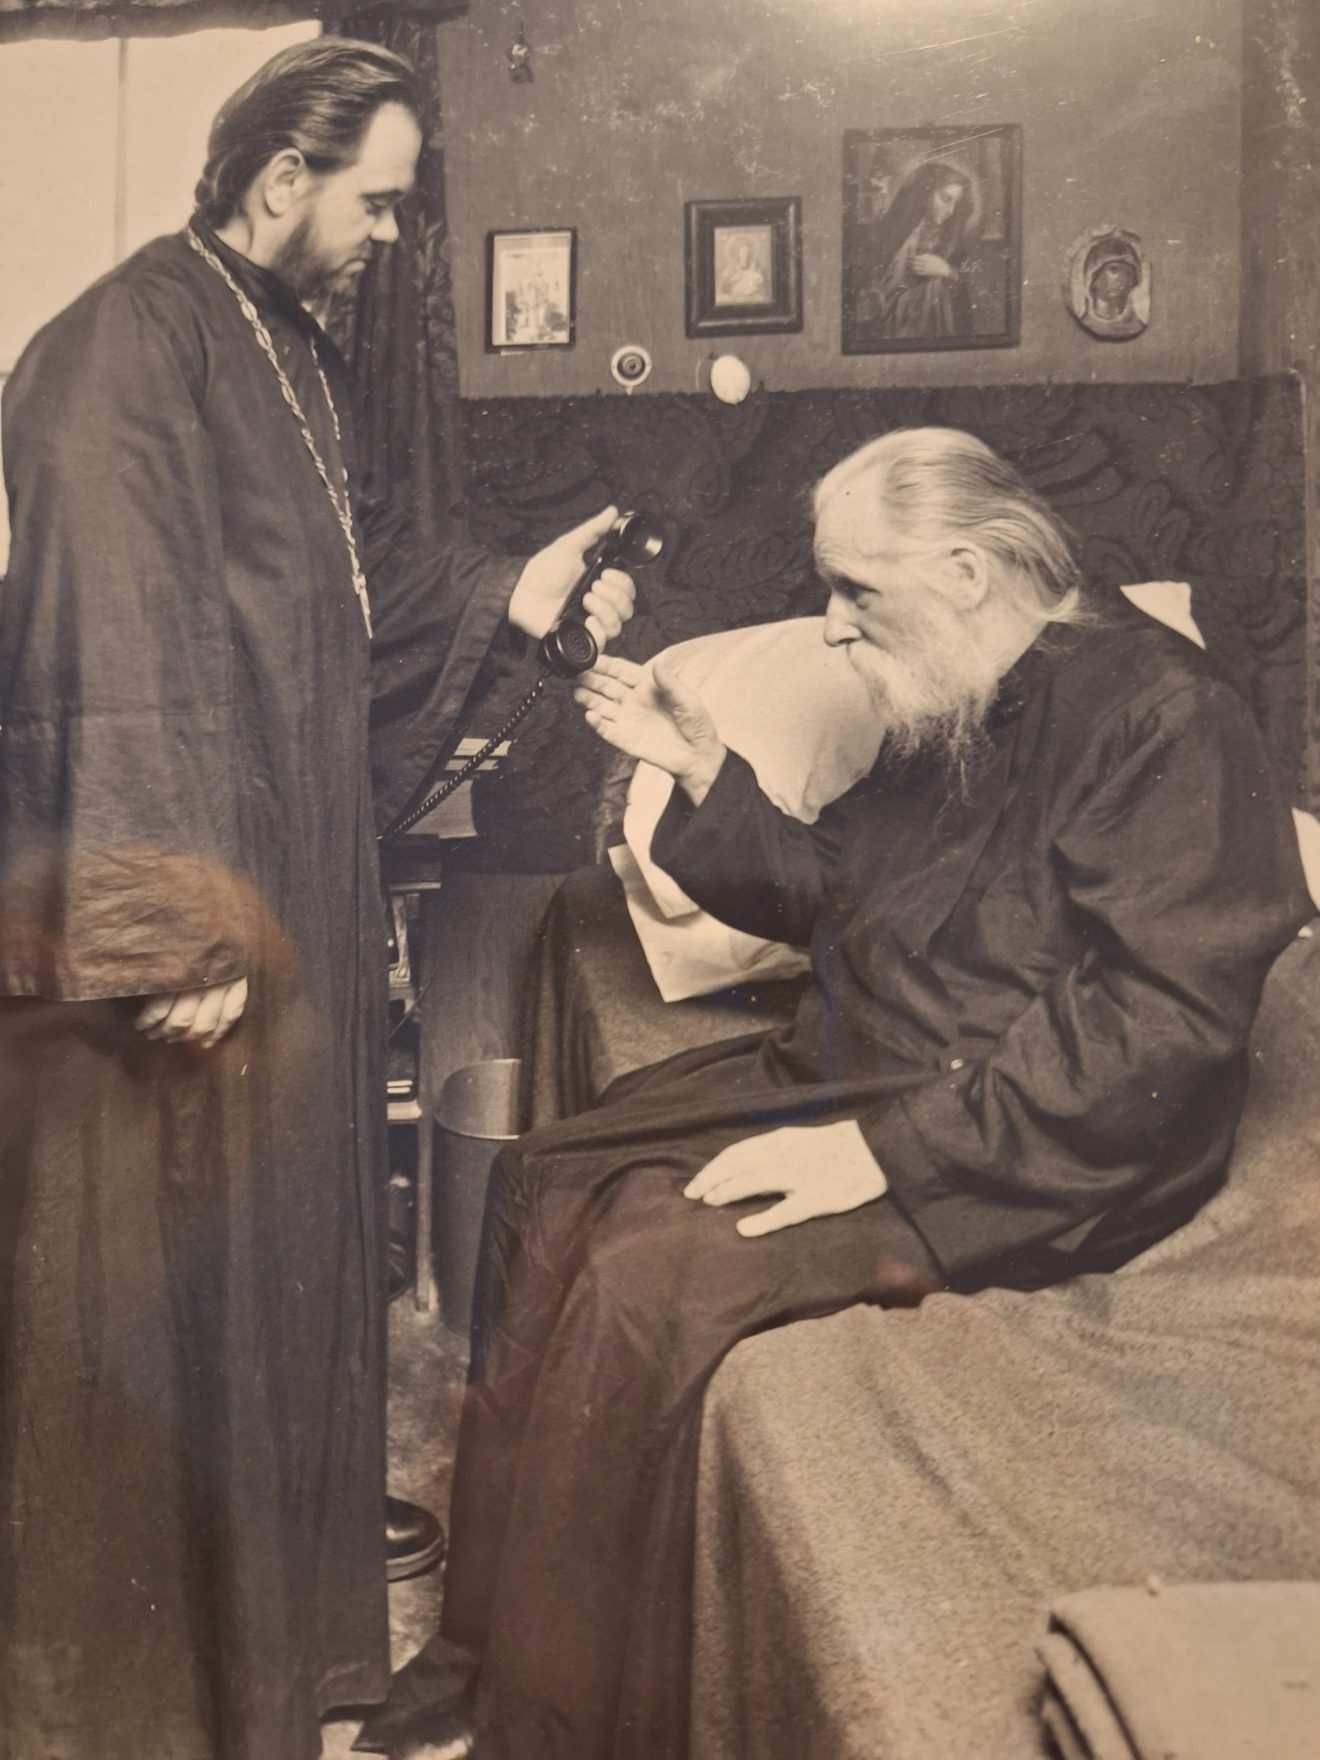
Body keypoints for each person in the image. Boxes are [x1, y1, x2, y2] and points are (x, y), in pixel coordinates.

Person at [359, 426, 1311, 1760]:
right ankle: (485, 1650)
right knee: (547, 1171)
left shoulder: (1171, 717)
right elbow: (838, 896)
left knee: (645, 1277)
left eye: (858, 587)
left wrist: (883, 1152)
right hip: (878, 1065)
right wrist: (703, 771)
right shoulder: (968, 690)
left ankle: (557, 1722)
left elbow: (1156, 1035)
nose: (833, 622)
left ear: (968, 571)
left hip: (1032, 1149)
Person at [0, 38, 632, 1760]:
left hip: (283, 893)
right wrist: (168, 923)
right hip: (184, 935)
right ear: (282, 178)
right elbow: (108, 651)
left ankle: (269, 1677)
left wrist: (516, 590)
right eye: (379, 201)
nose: (389, 237)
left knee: (274, 1282)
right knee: (158, 1302)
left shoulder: (281, 350)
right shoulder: (122, 348)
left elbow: (351, 601)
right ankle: (135, 1712)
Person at [860, 159, 973, 340]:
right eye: (945, 199)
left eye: (955, 204)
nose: (950, 210)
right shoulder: (896, 233)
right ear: (926, 192)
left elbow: (966, 287)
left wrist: (945, 270)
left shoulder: (951, 238)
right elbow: (878, 292)